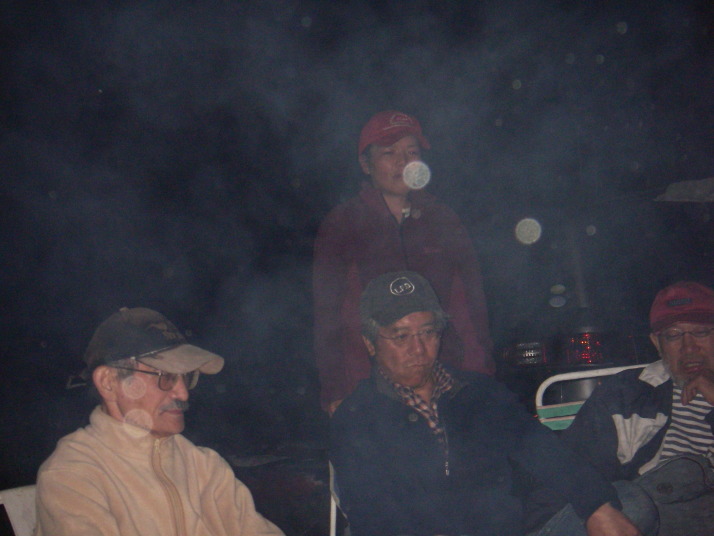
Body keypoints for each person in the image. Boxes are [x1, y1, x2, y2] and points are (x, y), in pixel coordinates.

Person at [330, 270, 657, 536]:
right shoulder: (355, 418)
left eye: (428, 332)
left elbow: (546, 452)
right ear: (370, 343)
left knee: (628, 503)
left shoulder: (480, 394)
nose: (418, 349)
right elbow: (368, 513)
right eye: (401, 336)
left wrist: (596, 505)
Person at [34, 307, 284, 536]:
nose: (183, 393)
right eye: (165, 376)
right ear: (108, 382)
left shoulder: (205, 467)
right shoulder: (71, 475)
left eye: (186, 377)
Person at [314, 110, 494, 415]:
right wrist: (338, 391)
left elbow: (470, 310)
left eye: (412, 152)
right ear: (365, 164)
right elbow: (329, 319)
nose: (403, 162)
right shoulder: (342, 225)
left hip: (447, 383)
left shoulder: (444, 220)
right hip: (371, 391)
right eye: (389, 153)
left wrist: (481, 381)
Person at [551, 281, 714, 534]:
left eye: (701, 332)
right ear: (657, 343)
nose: (689, 347)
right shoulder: (626, 394)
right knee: (629, 503)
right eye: (673, 335)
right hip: (652, 517)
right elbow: (574, 472)